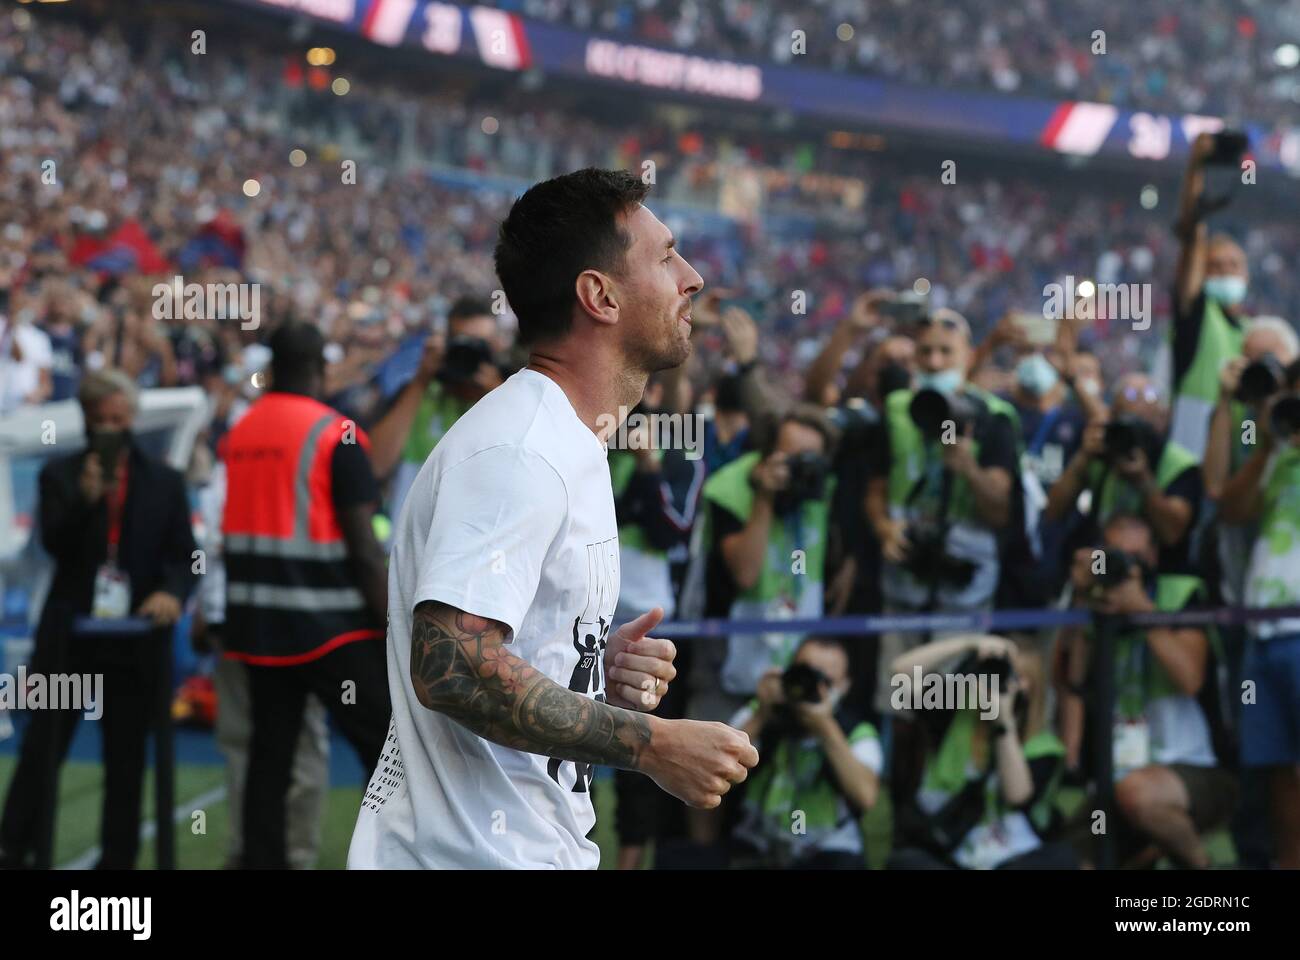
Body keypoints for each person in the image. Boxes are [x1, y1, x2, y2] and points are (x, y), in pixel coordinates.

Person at [347, 168, 757, 869]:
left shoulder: (566, 440)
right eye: (665, 257)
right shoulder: (522, 451)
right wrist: (651, 745)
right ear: (599, 296)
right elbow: (451, 667)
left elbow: (492, 652)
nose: (691, 279)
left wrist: (585, 665)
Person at [0, 370, 197, 869]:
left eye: (118, 419)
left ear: (132, 418)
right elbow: (53, 543)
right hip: (69, 634)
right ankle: (13, 847)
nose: (109, 428)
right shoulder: (58, 475)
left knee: (126, 758)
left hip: (132, 641)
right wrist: (88, 499)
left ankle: (117, 862)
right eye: (100, 419)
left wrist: (170, 594)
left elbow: (183, 557)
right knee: (43, 747)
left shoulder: (164, 482)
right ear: (85, 419)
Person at [221, 322, 391, 869]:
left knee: (269, 760)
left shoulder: (242, 429)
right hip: (331, 627)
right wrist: (392, 621)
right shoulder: (334, 432)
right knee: (389, 754)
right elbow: (365, 549)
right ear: (320, 368)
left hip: (258, 627)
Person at [1059, 514, 1236, 869]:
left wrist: (1141, 609)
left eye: (1136, 555)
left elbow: (1190, 678)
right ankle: (1150, 851)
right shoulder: (1095, 603)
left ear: (1154, 555)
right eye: (1114, 556)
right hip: (1117, 776)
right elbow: (1071, 680)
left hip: (1195, 768)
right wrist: (1080, 600)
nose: (1126, 566)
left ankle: (1201, 868)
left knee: (1138, 796)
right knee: (1069, 859)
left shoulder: (1181, 592)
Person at [887, 634, 1075, 870]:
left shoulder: (1044, 745)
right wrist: (969, 643)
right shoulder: (953, 709)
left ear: (1028, 686)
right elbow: (900, 674)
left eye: (1006, 675)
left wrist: (1002, 721)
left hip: (1011, 854)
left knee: (1061, 859)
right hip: (947, 845)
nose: (993, 683)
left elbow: (1017, 796)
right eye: (988, 673)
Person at [1217, 364, 1300, 868]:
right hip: (1264, 632)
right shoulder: (1273, 454)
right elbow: (1230, 508)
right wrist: (1269, 445)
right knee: (1279, 774)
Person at [730, 636, 881, 869]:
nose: (812, 686)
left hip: (827, 849)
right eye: (805, 673)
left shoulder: (857, 731)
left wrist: (825, 727)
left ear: (845, 686)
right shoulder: (762, 711)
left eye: (825, 681)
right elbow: (719, 772)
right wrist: (762, 714)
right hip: (760, 844)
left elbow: (865, 796)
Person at [367, 296, 507, 524]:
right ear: (446, 343)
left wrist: (498, 395)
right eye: (462, 344)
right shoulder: (416, 392)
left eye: (480, 346)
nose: (468, 355)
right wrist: (421, 379)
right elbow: (376, 465)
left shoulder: (508, 395)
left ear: (495, 348)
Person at [1045, 373, 1201, 574]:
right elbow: (1053, 512)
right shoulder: (1101, 455)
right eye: (1125, 426)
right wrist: (1082, 457)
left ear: (1164, 419)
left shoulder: (1179, 463)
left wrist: (1143, 480)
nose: (1133, 438)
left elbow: (1171, 534)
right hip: (1101, 562)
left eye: (1143, 427)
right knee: (1092, 567)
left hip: (1160, 578)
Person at [1167, 132, 1250, 459]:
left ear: (1247, 274)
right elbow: (1192, 237)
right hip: (1189, 453)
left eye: (1233, 264)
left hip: (1234, 456)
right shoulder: (1197, 312)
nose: (1226, 271)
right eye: (1215, 266)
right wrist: (1195, 168)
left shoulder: (1251, 333)